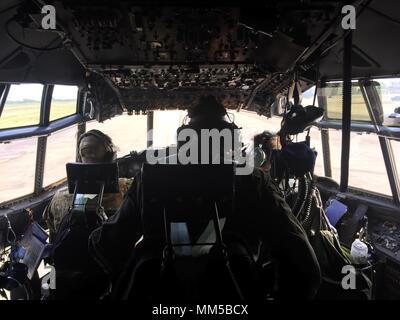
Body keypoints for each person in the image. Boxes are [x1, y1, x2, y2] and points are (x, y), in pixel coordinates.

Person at [89, 96, 321, 300]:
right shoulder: (253, 181)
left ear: (183, 140)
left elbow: (108, 245)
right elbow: (303, 265)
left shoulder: (149, 177)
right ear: (231, 140)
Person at [43, 129, 133, 241]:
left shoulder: (58, 198)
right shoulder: (127, 190)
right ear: (111, 157)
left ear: (80, 159)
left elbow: (53, 238)